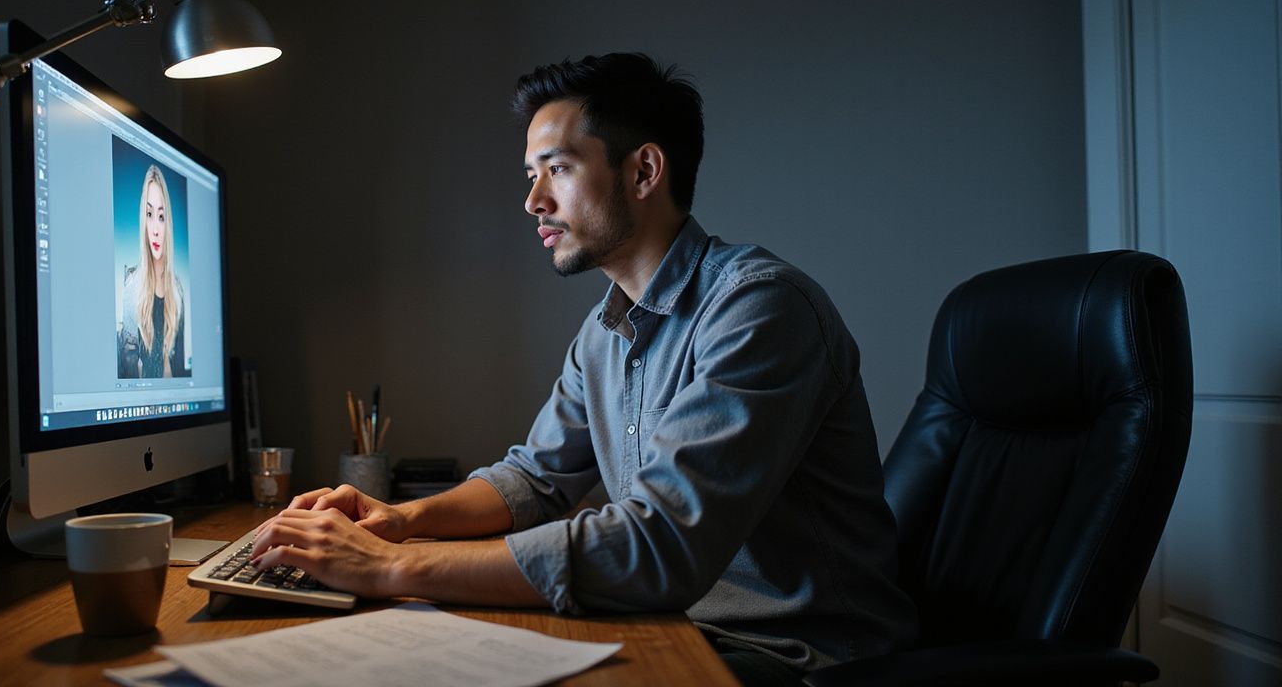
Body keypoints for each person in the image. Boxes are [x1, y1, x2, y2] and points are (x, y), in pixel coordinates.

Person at [252, 54, 916, 683]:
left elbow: (658, 548)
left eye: (557, 169)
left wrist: (391, 567)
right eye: (529, 176)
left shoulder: (760, 309)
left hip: (799, 661)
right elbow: (534, 479)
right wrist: (399, 520)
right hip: (671, 625)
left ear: (644, 171)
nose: (533, 201)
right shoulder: (604, 332)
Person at [117, 164, 189, 379]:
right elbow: (127, 369)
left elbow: (179, 370)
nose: (155, 229)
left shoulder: (177, 292)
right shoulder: (132, 289)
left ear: (168, 222)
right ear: (143, 220)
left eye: (161, 216)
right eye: (149, 214)